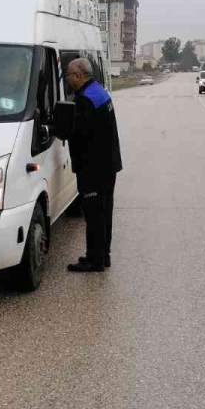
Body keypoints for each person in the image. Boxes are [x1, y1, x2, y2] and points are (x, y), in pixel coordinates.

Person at [63, 57, 122, 272]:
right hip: (108, 164)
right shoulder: (98, 91)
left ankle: (94, 260)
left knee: (94, 215)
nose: (66, 79)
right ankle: (103, 255)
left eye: (68, 75)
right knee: (104, 213)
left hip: (93, 168)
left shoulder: (84, 100)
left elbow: (78, 133)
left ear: (78, 76)